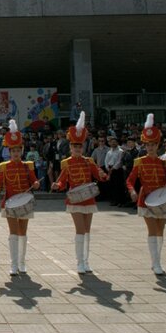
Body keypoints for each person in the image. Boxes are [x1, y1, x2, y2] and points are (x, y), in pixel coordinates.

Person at [51, 113, 108, 274]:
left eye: (79, 147)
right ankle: (79, 262)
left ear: (83, 148)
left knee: (87, 231)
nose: (77, 149)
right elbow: (62, 181)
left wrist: (103, 175)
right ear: (70, 148)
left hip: (88, 198)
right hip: (75, 200)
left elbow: (99, 176)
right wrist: (57, 185)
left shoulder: (89, 162)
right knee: (80, 230)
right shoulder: (67, 163)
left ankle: (86, 261)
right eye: (74, 147)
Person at [126, 114, 166, 275]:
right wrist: (132, 191)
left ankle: (157, 260)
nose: (150, 147)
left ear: (158, 145)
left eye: (153, 145)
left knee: (161, 231)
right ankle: (155, 263)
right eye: (148, 145)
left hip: (161, 199)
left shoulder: (164, 162)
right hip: (146, 199)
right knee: (153, 230)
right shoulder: (139, 161)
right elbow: (130, 180)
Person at [0, 120, 39, 275]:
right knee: (13, 233)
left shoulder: (28, 166)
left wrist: (36, 184)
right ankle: (13, 264)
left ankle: (22, 263)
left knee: (23, 232)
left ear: (22, 151)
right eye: (13, 151)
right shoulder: (4, 166)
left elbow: (34, 181)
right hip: (10, 202)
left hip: (25, 202)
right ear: (9, 152)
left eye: (18, 150)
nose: (16, 153)